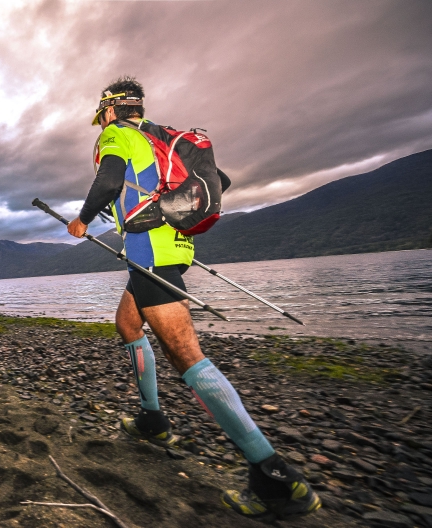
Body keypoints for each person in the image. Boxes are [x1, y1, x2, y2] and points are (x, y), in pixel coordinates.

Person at [67, 76, 320, 521]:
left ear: (109, 110)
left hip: (149, 250)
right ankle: (152, 420)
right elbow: (219, 180)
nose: (101, 122)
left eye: (101, 115)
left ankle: (276, 478)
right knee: (127, 324)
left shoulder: (116, 134)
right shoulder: (163, 137)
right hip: (174, 246)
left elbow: (107, 181)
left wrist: (83, 219)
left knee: (184, 353)